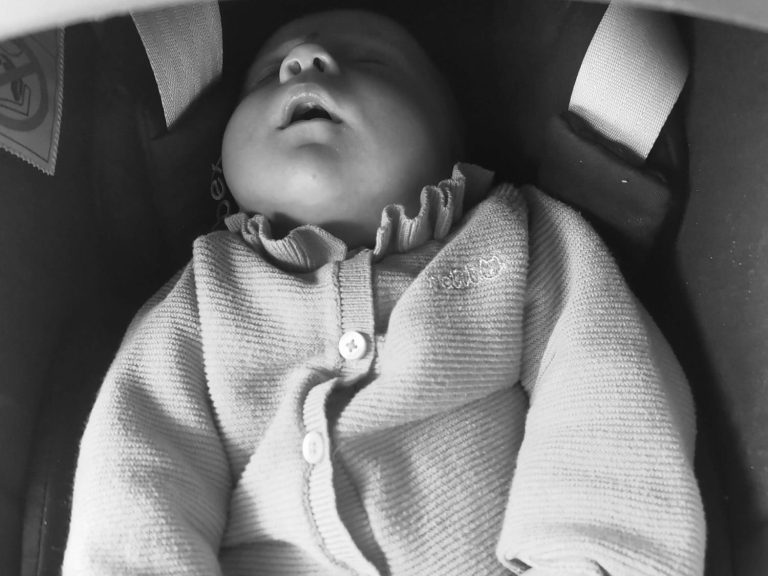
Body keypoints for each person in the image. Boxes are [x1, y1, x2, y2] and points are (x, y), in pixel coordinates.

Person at [63, 9, 705, 576]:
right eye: (263, 79)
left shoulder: (518, 241)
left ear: (451, 141)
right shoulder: (203, 295)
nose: (303, 61)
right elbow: (138, 470)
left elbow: (607, 391)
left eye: (370, 63)